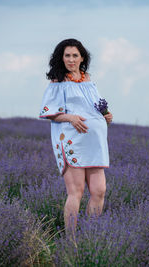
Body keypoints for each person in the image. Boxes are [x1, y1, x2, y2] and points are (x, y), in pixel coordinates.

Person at [39, 38, 113, 239]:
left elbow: (97, 105)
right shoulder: (58, 83)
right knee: (76, 192)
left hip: (95, 143)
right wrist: (70, 117)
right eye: (67, 55)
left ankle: (90, 237)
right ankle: (72, 241)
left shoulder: (88, 80)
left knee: (99, 190)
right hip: (72, 140)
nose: (71, 59)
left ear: (82, 58)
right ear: (61, 58)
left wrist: (106, 115)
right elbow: (49, 112)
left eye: (75, 55)